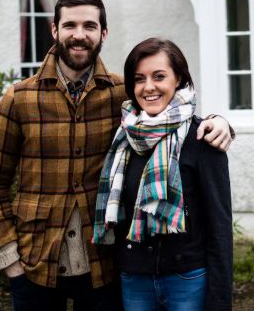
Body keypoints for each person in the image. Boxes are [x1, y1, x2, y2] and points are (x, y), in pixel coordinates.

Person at [0, 0, 233, 311]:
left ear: (103, 33)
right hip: (35, 263)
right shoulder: (19, 99)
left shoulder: (120, 95)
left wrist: (220, 122)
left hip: (102, 268)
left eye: (90, 26)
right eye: (70, 25)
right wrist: (9, 257)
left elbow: (168, 113)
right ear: (54, 30)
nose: (79, 35)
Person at [93, 38, 232, 311]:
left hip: (188, 279)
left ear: (178, 78)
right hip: (134, 279)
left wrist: (219, 301)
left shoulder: (204, 137)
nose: (149, 87)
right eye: (139, 79)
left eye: (159, 76)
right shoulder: (124, 138)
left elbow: (220, 228)